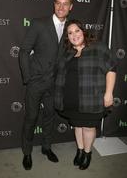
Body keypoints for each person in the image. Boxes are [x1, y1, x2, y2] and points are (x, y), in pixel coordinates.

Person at [19, 0, 73, 170]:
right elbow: (24, 51)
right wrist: (28, 78)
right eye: (58, 3)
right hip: (36, 81)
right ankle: (26, 152)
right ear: (54, 4)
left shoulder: (71, 29)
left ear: (70, 7)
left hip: (55, 84)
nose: (61, 7)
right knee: (31, 117)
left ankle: (46, 147)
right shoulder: (39, 24)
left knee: (50, 116)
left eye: (65, 4)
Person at [55, 19, 117, 170]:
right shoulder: (68, 52)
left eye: (77, 30)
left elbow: (111, 69)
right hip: (71, 98)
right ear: (67, 37)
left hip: (91, 98)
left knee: (88, 127)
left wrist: (109, 93)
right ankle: (80, 150)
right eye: (70, 33)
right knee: (77, 125)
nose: (74, 35)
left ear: (83, 31)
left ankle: (87, 153)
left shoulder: (98, 47)